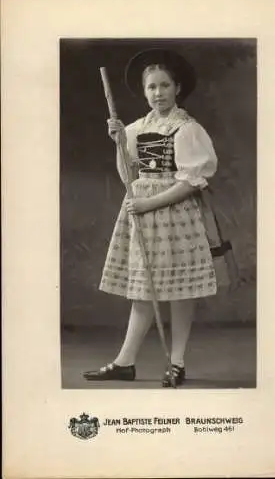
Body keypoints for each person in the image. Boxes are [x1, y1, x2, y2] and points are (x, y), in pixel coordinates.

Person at [83, 48, 220, 387]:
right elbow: (128, 176)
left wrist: (151, 204)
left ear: (177, 88)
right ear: (144, 92)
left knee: (180, 290)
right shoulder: (133, 129)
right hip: (141, 215)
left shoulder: (187, 129)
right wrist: (117, 142)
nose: (158, 93)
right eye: (151, 88)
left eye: (164, 86)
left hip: (176, 215)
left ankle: (177, 362)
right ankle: (125, 361)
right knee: (143, 290)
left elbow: (191, 182)